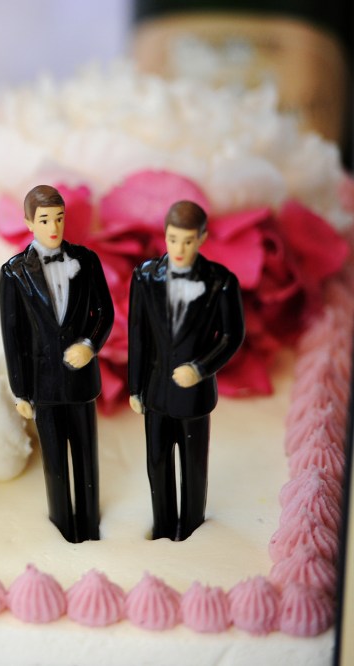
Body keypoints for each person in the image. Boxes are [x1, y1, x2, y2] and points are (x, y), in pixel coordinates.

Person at [0, 185, 114, 543]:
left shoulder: (87, 260)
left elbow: (105, 312)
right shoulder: (14, 273)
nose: (54, 227)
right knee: (55, 464)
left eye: (60, 219)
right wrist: (20, 390)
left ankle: (90, 524)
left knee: (86, 457)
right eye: (45, 220)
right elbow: (13, 336)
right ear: (29, 223)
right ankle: (63, 526)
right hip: (43, 385)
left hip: (81, 381)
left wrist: (90, 345)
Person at [128, 200, 245, 541]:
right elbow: (138, 335)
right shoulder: (145, 276)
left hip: (194, 396)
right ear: (164, 235)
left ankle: (192, 530)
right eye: (173, 239)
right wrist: (135, 388)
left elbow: (231, 336)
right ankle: (163, 528)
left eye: (188, 241)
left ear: (202, 238)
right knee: (158, 464)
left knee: (193, 470)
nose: (179, 248)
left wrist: (200, 368)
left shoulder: (221, 282)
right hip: (154, 392)